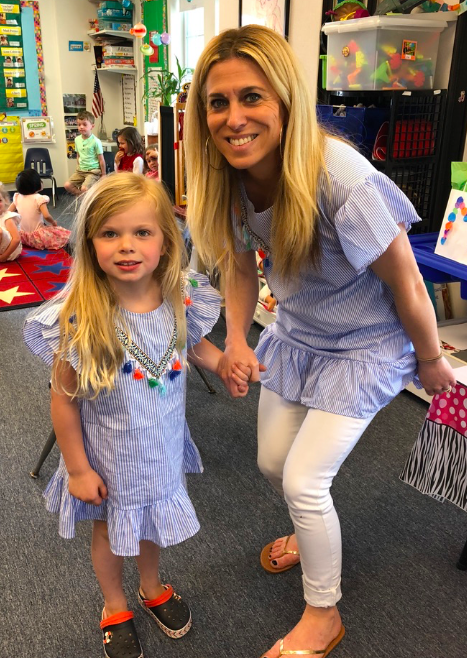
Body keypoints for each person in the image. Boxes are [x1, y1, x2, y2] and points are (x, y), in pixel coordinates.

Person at [184, 25, 456, 658]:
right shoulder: (228, 176)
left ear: (284, 100)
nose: (233, 118)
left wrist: (430, 359)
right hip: (301, 335)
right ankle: (313, 533)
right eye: (217, 102)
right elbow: (241, 266)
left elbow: (409, 282)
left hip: (368, 346)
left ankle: (323, 613)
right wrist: (238, 339)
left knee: (305, 481)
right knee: (274, 463)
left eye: (251, 97)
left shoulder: (340, 178)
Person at [23, 173, 249, 658]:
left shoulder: (177, 296)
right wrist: (79, 469)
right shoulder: (82, 314)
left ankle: (151, 587)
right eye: (110, 234)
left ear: (166, 241)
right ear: (89, 242)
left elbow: (193, 346)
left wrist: (224, 363)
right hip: (107, 456)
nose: (127, 246)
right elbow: (62, 398)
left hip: (161, 445)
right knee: (108, 532)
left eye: (141, 233)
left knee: (152, 526)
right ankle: (114, 604)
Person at [10, 168, 71, 250]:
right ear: (35, 184)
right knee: (62, 234)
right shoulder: (39, 198)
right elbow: (46, 216)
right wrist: (53, 222)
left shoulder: (17, 197)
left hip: (22, 236)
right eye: (39, 180)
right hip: (37, 238)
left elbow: (8, 212)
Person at [64, 110, 106, 196]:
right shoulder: (77, 139)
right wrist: (78, 166)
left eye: (84, 124)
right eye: (79, 124)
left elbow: (101, 159)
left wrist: (103, 174)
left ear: (92, 126)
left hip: (93, 171)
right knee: (67, 185)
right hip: (81, 171)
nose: (81, 127)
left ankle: (85, 198)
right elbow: (78, 155)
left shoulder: (96, 141)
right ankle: (83, 197)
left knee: (84, 188)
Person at [0, 181, 21, 262]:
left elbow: (16, 239)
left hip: (7, 251)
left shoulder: (7, 218)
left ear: (5, 200)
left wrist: (5, 256)